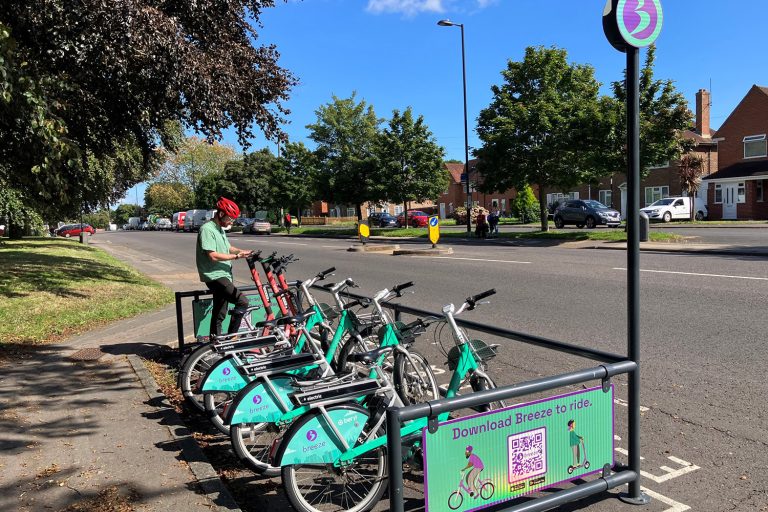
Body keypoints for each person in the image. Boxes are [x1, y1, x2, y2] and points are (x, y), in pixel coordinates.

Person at [196, 197, 253, 339]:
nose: (231, 222)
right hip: (215, 276)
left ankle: (215, 343)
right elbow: (213, 256)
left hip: (223, 274)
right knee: (242, 301)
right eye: (230, 218)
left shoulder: (219, 229)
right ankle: (231, 338)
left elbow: (228, 247)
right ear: (221, 214)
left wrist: (241, 251)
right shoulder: (207, 229)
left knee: (219, 313)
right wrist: (236, 257)